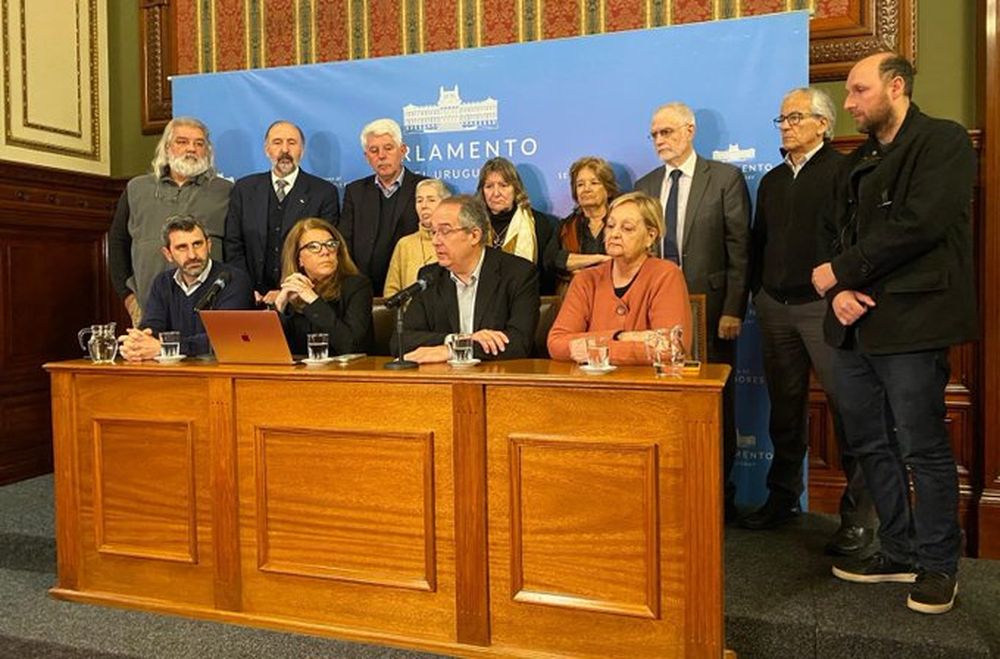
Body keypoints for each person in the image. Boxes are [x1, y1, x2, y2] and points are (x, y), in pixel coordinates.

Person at [812, 53, 976, 615]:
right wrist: (837, 291)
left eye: (858, 92)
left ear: (896, 86)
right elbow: (835, 236)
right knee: (869, 443)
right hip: (854, 328)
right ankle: (900, 550)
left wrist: (843, 274)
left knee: (923, 447)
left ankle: (937, 567)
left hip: (913, 325)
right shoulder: (859, 160)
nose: (850, 104)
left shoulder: (944, 142)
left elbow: (921, 224)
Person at [743, 88, 877, 555]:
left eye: (795, 117)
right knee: (785, 409)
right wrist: (755, 295)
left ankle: (858, 518)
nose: (785, 125)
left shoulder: (845, 173)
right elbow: (759, 243)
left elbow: (859, 240)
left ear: (824, 123)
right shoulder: (773, 181)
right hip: (774, 308)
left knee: (849, 411)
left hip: (825, 307)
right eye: (780, 118)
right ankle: (782, 499)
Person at [634, 101, 751, 519]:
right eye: (654, 134)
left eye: (666, 132)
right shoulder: (645, 184)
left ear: (690, 130)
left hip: (712, 308)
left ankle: (720, 494)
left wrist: (734, 309)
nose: (659, 141)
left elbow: (740, 250)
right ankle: (672, 493)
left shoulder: (723, 178)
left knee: (714, 403)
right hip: (656, 314)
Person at [109, 117, 232, 323]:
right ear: (167, 148)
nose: (191, 149)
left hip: (209, 308)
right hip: (148, 308)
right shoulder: (137, 189)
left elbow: (236, 248)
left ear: (207, 151)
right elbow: (117, 243)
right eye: (182, 142)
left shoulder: (225, 191)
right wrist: (128, 297)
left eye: (199, 143)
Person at [547, 192, 691, 363]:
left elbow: (670, 347)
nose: (614, 234)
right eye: (610, 226)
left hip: (648, 385)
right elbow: (557, 343)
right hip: (594, 385)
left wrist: (592, 349)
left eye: (627, 228)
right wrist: (622, 336)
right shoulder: (586, 280)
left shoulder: (666, 275)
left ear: (650, 236)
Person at [393, 195, 539, 363]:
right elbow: (401, 342)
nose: (435, 241)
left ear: (474, 235)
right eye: (433, 232)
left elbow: (519, 343)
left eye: (445, 231)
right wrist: (460, 340)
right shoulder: (430, 276)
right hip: (444, 380)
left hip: (498, 378)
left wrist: (451, 351)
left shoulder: (518, 273)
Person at [224, 120, 340, 305]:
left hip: (301, 299)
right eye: (277, 143)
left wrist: (287, 291)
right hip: (251, 299)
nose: (284, 150)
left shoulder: (323, 192)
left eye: (292, 143)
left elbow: (324, 251)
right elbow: (233, 245)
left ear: (302, 150)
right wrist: (245, 289)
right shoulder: (244, 189)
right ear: (266, 149)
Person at [119, 215, 253, 361]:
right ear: (168, 254)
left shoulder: (234, 280)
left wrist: (166, 348)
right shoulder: (163, 283)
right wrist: (137, 344)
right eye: (182, 247)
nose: (192, 255)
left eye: (197, 244)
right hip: (175, 374)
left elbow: (225, 338)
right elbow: (152, 327)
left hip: (220, 372)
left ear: (209, 245)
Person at [337, 118, 427, 295]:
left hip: (411, 288)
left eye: (388, 148)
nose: (381, 156)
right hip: (363, 290)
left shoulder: (423, 188)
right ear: (366, 157)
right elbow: (344, 242)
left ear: (402, 150)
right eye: (374, 150)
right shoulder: (355, 192)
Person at [274, 218, 373, 356]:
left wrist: (313, 300)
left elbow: (351, 346)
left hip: (345, 373)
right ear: (299, 258)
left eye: (331, 244)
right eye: (314, 247)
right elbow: (269, 352)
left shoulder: (357, 287)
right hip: (300, 375)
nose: (325, 252)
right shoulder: (293, 292)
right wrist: (279, 306)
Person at [476, 157, 557, 294]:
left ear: (516, 189)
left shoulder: (540, 223)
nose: (496, 193)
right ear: (482, 191)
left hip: (527, 300)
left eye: (503, 185)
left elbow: (548, 275)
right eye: (489, 186)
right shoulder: (473, 224)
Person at [544, 156, 616, 296]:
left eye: (594, 183)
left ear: (608, 190)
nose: (586, 189)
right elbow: (551, 260)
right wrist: (599, 259)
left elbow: (627, 260)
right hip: (575, 300)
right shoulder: (566, 226)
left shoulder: (621, 222)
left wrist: (576, 264)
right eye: (580, 184)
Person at [383, 178, 450, 297]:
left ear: (445, 203)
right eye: (419, 200)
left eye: (431, 200)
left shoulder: (456, 240)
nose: (424, 206)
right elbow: (391, 291)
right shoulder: (405, 245)